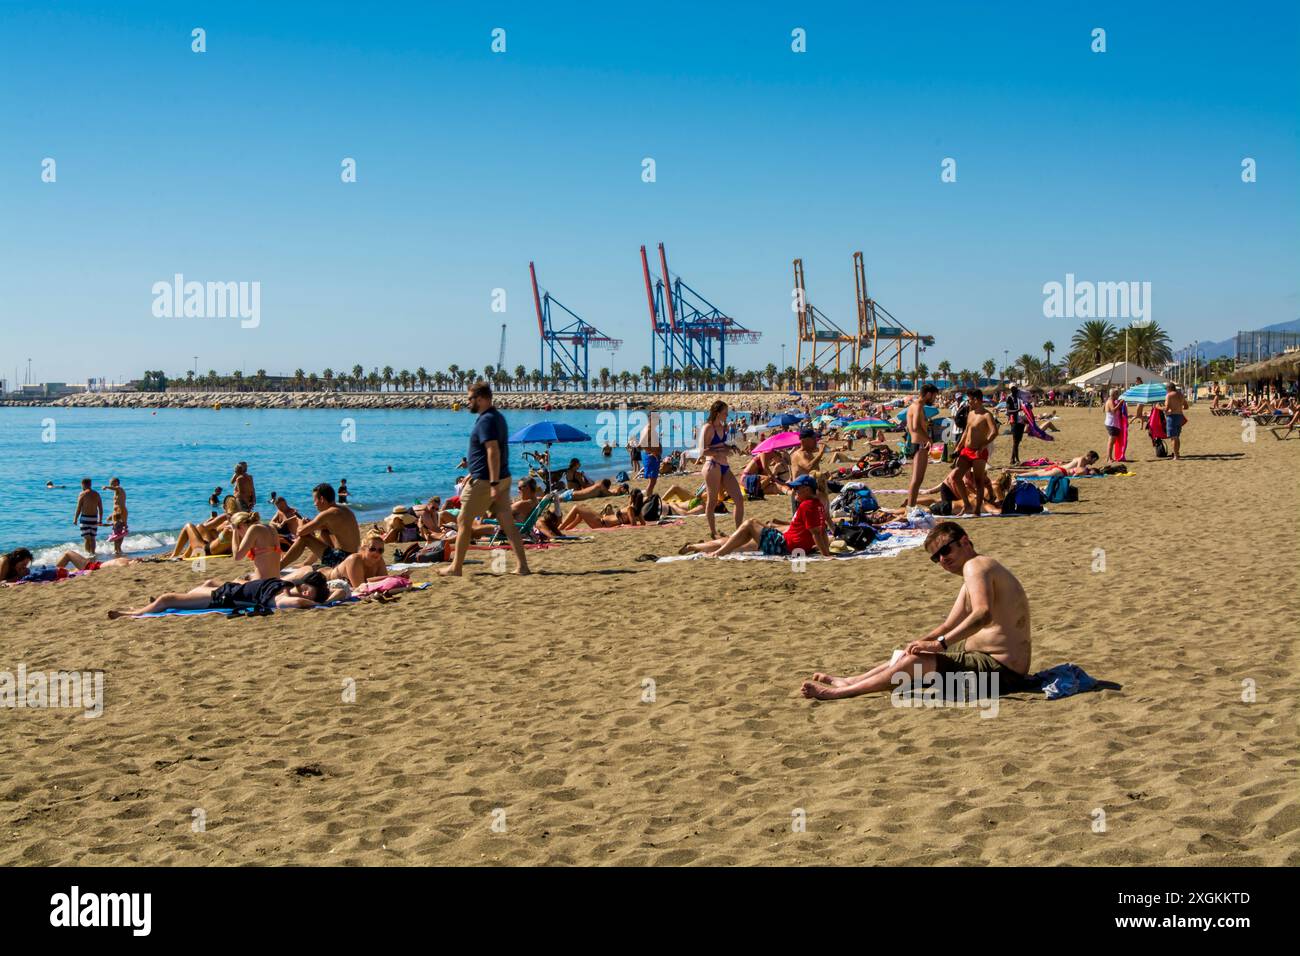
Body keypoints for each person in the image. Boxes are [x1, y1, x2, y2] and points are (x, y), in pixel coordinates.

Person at [799, 522, 1031, 700]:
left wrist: (938, 645)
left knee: (916, 660)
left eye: (946, 550)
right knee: (912, 652)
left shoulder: (975, 566)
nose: (942, 559)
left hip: (1002, 673)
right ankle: (852, 680)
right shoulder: (976, 572)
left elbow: (983, 614)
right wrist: (920, 642)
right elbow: (948, 626)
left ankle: (841, 693)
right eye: (936, 557)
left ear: (965, 542)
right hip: (986, 659)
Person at [441, 381, 531, 576]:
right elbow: (487, 452)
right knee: (507, 524)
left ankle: (455, 568)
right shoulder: (497, 418)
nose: (468, 403)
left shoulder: (486, 420)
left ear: (480, 399)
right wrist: (474, 471)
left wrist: (492, 483)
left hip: (486, 482)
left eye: (470, 399)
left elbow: (493, 451)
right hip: (499, 477)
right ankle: (522, 566)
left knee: (464, 521)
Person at [679, 475, 829, 558]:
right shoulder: (818, 504)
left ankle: (717, 553)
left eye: (797, 488)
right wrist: (826, 551)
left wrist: (826, 555)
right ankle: (698, 547)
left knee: (749, 524)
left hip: (785, 546)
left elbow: (817, 532)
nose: (794, 491)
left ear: (807, 489)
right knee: (742, 535)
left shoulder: (807, 505)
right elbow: (821, 531)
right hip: (788, 543)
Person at [108, 573, 330, 619]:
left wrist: (323, 603)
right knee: (203, 584)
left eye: (311, 593)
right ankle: (157, 605)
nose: (306, 592)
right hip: (229, 588)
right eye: (308, 588)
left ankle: (131, 613)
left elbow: (298, 603)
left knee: (167, 599)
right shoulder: (288, 585)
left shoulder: (283, 599)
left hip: (225, 599)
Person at [279, 483, 362, 568]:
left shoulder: (328, 513)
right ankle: (307, 563)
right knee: (324, 532)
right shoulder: (344, 509)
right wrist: (310, 525)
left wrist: (301, 523)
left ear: (321, 499)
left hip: (341, 560)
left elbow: (300, 532)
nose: (314, 504)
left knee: (305, 538)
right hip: (353, 557)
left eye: (314, 500)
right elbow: (326, 526)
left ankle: (279, 567)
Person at [697, 400, 745, 539]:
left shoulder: (723, 427)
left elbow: (721, 444)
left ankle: (738, 532)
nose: (727, 415)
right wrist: (720, 452)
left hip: (724, 466)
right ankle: (713, 533)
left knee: (739, 499)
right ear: (717, 413)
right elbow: (702, 451)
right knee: (712, 501)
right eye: (725, 413)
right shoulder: (708, 428)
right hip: (712, 466)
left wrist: (730, 448)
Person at [948, 389, 999, 517]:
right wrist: (958, 447)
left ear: (976, 399)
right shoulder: (970, 413)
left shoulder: (987, 415)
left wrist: (984, 444)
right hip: (966, 450)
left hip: (978, 452)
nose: (968, 402)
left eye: (969, 399)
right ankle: (967, 504)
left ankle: (977, 510)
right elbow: (966, 431)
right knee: (955, 477)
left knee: (978, 481)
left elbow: (994, 432)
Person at [905, 384, 939, 507]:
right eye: (934, 396)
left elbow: (911, 428)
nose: (934, 399)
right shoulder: (918, 406)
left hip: (915, 444)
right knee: (917, 480)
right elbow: (915, 427)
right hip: (920, 445)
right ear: (928, 394)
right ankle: (910, 508)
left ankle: (910, 506)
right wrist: (928, 439)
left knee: (915, 480)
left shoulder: (913, 406)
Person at [229, 511, 284, 581]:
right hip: (276, 580)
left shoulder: (253, 528)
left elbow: (237, 556)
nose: (240, 535)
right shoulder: (271, 527)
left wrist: (234, 531)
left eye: (238, 530)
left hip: (263, 584)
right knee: (247, 576)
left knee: (211, 583)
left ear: (240, 525)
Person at [558, 489, 646, 530]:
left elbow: (634, 525)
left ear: (631, 497)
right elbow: (643, 523)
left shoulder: (630, 509)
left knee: (576, 507)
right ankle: (566, 529)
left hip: (601, 523)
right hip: (601, 519)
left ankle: (559, 529)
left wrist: (621, 525)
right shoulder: (636, 510)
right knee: (581, 514)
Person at [73, 478, 103, 556]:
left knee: (86, 538)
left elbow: (78, 508)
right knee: (92, 538)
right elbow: (100, 508)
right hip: (94, 518)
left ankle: (87, 554)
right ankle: (92, 553)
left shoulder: (82, 494)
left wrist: (75, 519)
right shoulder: (97, 494)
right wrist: (100, 520)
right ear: (90, 484)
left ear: (83, 484)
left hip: (85, 518)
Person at [640, 411, 663, 498]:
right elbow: (642, 444)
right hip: (651, 458)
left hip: (652, 457)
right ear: (651, 419)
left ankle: (647, 497)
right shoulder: (648, 429)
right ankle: (648, 499)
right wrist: (653, 452)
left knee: (652, 481)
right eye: (657, 419)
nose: (659, 421)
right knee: (652, 482)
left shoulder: (651, 429)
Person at [1164, 384, 1188, 460]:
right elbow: (1186, 406)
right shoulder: (1181, 395)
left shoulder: (1169, 395)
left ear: (1168, 389)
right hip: (1179, 416)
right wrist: (1178, 407)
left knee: (1173, 438)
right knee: (1177, 437)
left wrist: (1158, 407)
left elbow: (1166, 408)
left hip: (1172, 417)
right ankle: (1177, 454)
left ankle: (1176, 456)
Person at [1103, 387, 1126, 462]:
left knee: (1112, 442)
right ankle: (1109, 458)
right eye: (1117, 394)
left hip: (1113, 423)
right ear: (1113, 395)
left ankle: (1108, 457)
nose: (1118, 395)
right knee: (1111, 442)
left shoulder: (1112, 400)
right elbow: (1113, 410)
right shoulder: (1110, 401)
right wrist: (1120, 403)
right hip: (1111, 424)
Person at [1006, 386, 1026, 466]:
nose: (1015, 391)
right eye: (1013, 389)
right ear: (1011, 390)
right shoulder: (1009, 398)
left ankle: (1012, 459)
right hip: (1014, 420)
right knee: (1015, 440)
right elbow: (1008, 410)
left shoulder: (1020, 398)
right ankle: (1016, 459)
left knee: (1018, 441)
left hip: (1021, 420)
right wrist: (1017, 410)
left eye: (1015, 389)